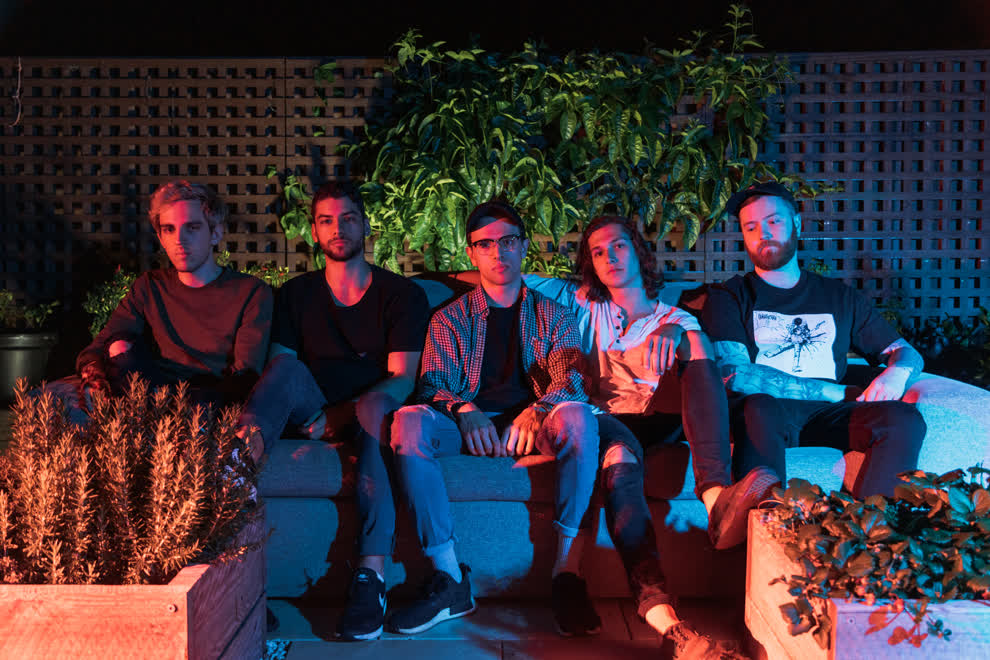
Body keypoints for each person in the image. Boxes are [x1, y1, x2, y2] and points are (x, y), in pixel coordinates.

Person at [523, 215, 756, 658]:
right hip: (604, 423)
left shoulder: (676, 316)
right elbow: (506, 277)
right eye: (597, 252)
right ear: (590, 266)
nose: (609, 257)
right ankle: (662, 617)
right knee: (617, 461)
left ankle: (714, 495)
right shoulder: (582, 304)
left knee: (694, 341)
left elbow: (702, 363)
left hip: (661, 420)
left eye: (618, 246)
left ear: (638, 250)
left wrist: (677, 331)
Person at [386, 200, 601, 637]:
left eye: (507, 241)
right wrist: (465, 410)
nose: (497, 252)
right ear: (471, 253)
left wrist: (539, 409)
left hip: (534, 427)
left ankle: (566, 575)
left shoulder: (555, 314)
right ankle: (449, 579)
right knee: (407, 421)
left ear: (523, 247)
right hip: (467, 427)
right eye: (485, 244)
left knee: (578, 416)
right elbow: (432, 383)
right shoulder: (449, 318)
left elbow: (571, 381)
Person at [236, 180, 430, 641]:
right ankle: (233, 469)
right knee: (284, 370)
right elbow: (282, 368)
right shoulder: (295, 294)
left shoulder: (401, 295)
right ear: (314, 231)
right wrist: (312, 417)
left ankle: (370, 578)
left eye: (348, 218)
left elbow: (402, 378)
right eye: (326, 220)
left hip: (370, 410)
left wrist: (341, 416)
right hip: (309, 409)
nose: (338, 228)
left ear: (365, 225)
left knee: (376, 410)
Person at [700, 181, 927, 502]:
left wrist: (897, 373)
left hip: (829, 416)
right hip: (764, 416)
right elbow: (736, 375)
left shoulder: (839, 297)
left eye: (774, 221)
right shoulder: (729, 296)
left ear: (797, 223)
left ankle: (869, 525)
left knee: (904, 419)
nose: (763, 233)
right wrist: (841, 393)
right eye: (751, 227)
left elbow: (905, 352)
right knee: (758, 406)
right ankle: (763, 521)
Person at [71, 180, 273, 417]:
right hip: (152, 396)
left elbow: (245, 376)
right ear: (160, 237)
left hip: (212, 402)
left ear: (215, 233)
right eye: (169, 229)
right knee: (118, 345)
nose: (179, 240)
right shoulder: (150, 286)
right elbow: (96, 349)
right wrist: (94, 378)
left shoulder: (251, 292)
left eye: (192, 228)